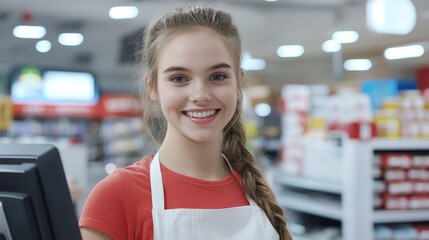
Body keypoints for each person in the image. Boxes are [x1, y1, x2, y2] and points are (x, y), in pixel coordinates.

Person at [79, 5, 292, 240]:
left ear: (238, 83)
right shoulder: (116, 197)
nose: (200, 94)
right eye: (179, 78)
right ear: (153, 87)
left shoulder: (256, 190)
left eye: (217, 77)